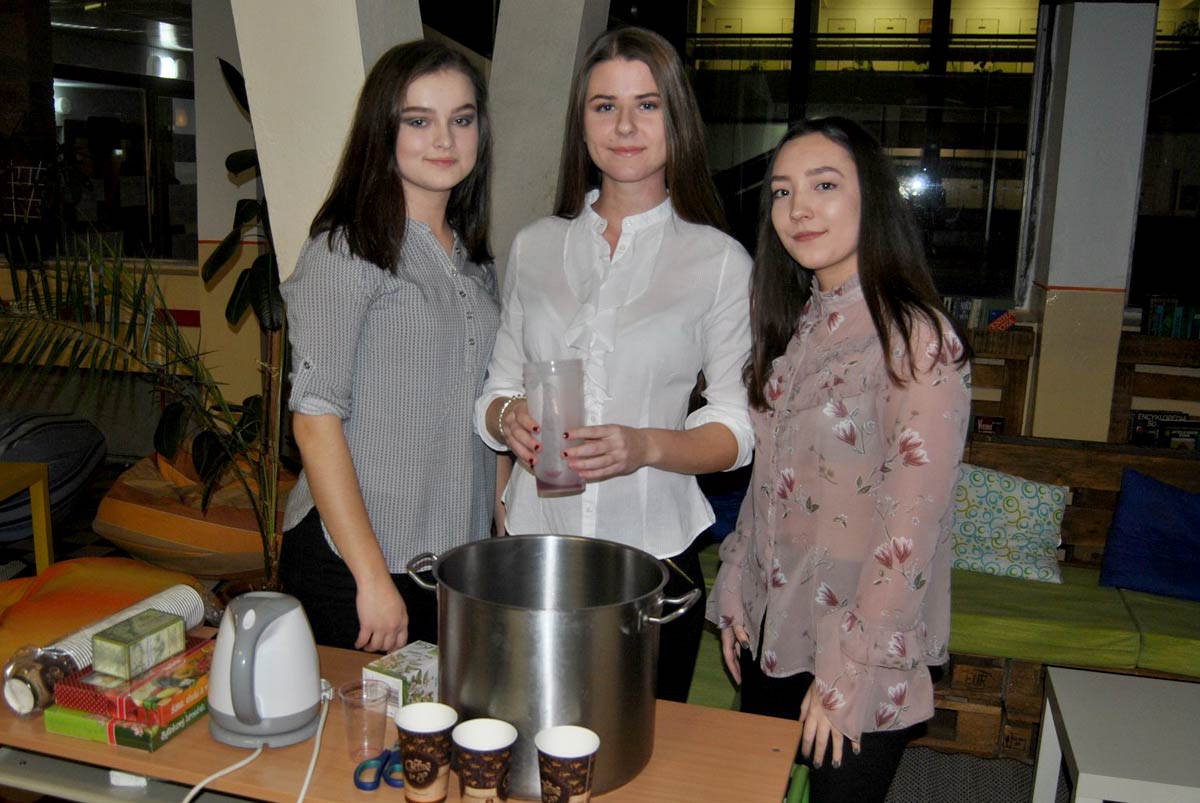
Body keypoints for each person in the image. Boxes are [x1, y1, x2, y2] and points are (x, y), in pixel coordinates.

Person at [474, 27, 753, 703]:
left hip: (653, 560)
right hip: (536, 550)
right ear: (582, 123)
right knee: (528, 738)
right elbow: (494, 391)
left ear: (676, 119)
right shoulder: (535, 246)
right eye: (605, 106)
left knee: (638, 750)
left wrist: (644, 445)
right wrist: (508, 418)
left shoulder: (719, 261)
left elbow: (737, 431)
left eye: (646, 105)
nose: (625, 126)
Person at [706, 118, 972, 803]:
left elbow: (912, 527)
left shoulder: (914, 337)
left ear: (872, 198)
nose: (799, 208)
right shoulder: (800, 324)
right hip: (774, 626)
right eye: (782, 191)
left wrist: (848, 670)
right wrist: (735, 582)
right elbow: (770, 483)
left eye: (824, 185)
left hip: (859, 643)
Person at [278, 41, 499, 653]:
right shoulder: (345, 251)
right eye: (418, 121)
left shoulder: (476, 262)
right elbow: (314, 422)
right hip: (357, 564)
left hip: (455, 564)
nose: (444, 140)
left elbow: (487, 410)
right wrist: (371, 577)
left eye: (461, 119)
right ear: (383, 130)